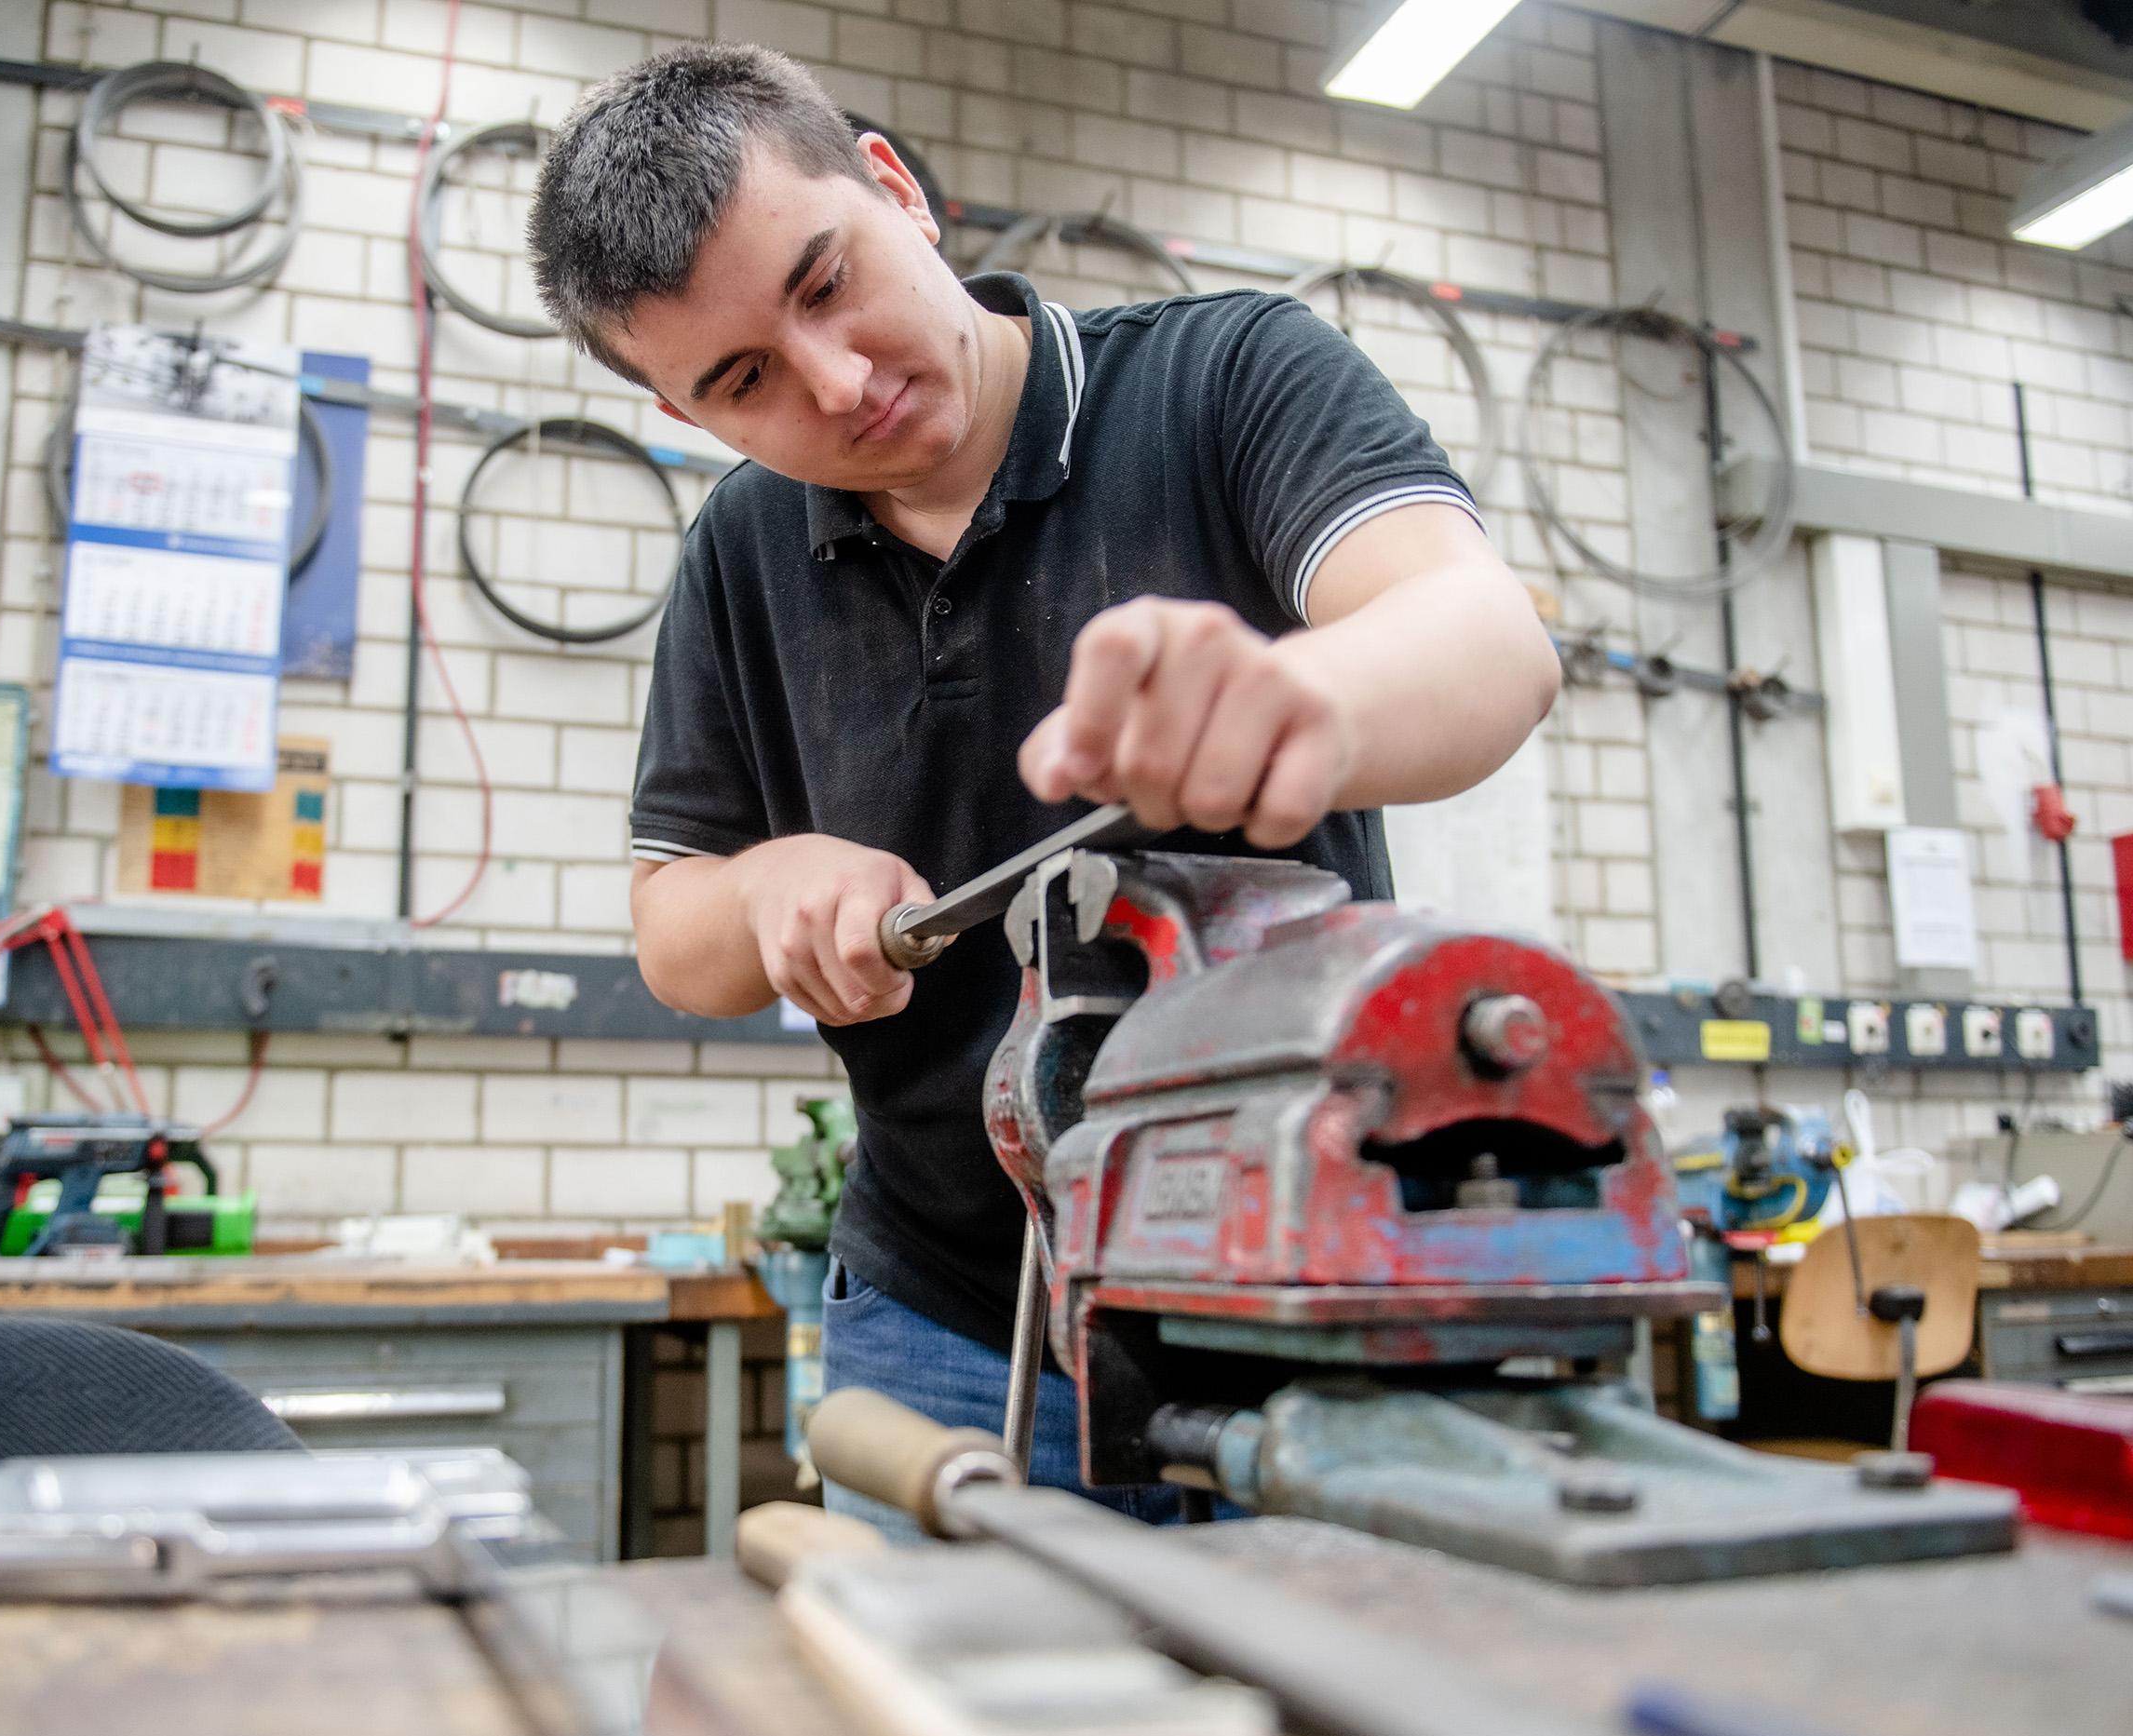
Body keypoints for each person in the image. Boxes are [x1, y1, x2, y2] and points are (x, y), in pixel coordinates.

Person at [528, 45, 1559, 1534]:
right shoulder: (740, 556)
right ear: (691, 416)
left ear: (896, 188)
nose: (842, 380)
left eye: (828, 282)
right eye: (747, 378)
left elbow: (1489, 644)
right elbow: (671, 929)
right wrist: (763, 893)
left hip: (1306, 1296)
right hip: (943, 1319)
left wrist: (1302, 701)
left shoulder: (1227, 378)